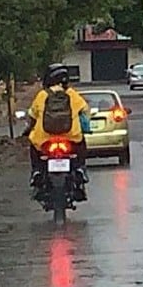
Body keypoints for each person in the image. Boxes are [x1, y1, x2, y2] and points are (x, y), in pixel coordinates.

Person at [26, 64, 93, 200]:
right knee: (81, 143)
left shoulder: (42, 95)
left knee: (33, 146)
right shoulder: (72, 94)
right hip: (71, 136)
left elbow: (32, 115)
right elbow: (86, 111)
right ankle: (80, 169)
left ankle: (37, 171)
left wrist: (30, 128)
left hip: (44, 138)